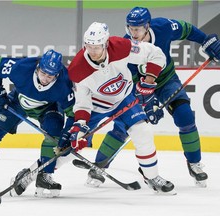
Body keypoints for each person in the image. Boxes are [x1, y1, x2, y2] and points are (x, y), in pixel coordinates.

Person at [85, 7, 220, 188]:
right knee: (123, 125)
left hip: (166, 81)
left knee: (185, 116)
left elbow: (188, 29)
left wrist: (205, 41)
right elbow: (128, 85)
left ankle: (194, 164)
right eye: (130, 28)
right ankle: (98, 167)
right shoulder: (125, 47)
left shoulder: (163, 27)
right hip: (139, 87)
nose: (133, 33)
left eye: (137, 29)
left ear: (148, 26)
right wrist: (147, 103)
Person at [61, 21, 175, 194]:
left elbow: (156, 54)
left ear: (106, 43)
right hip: (96, 106)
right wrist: (80, 124)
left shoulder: (122, 46)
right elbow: (83, 102)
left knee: (143, 131)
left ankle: (151, 176)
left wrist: (149, 82)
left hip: (124, 99)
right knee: (71, 142)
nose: (92, 51)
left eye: (97, 47)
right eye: (89, 46)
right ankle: (38, 174)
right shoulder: (77, 68)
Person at [0, 49, 75, 198]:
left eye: (50, 76)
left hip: (49, 108)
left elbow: (72, 114)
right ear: (38, 67)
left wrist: (67, 134)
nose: (46, 78)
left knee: (54, 133)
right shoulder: (21, 67)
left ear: (57, 74)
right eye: (43, 73)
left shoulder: (64, 84)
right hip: (17, 102)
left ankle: (45, 175)